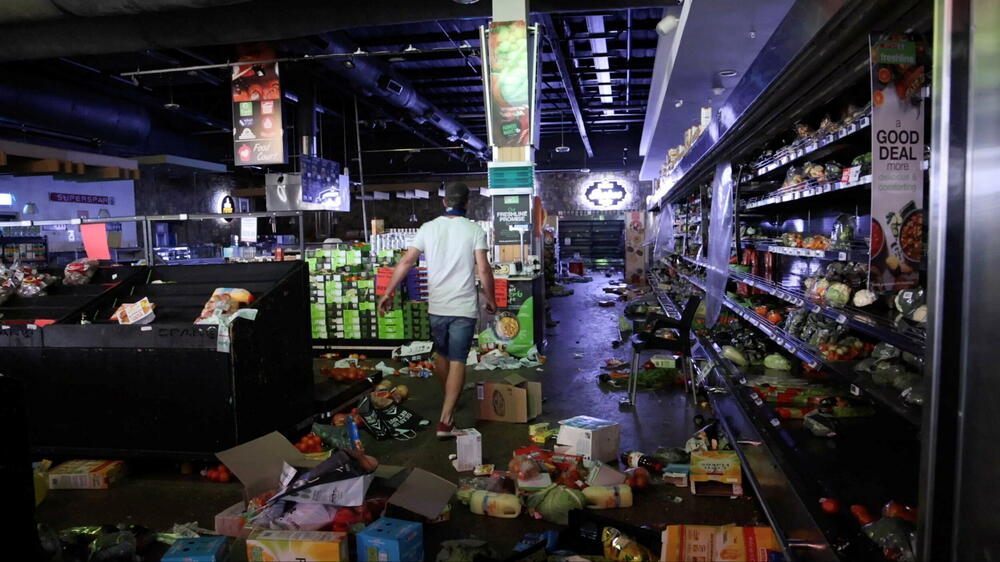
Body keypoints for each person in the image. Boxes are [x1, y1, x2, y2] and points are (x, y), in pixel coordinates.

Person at [377, 182, 496, 438]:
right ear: (468, 202)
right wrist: (491, 298)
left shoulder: (427, 228)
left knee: (442, 355)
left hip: (437, 305)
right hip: (463, 306)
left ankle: (448, 398)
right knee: (458, 360)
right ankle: (446, 421)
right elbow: (484, 269)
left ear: (444, 202)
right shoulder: (474, 230)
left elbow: (406, 261)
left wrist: (388, 292)